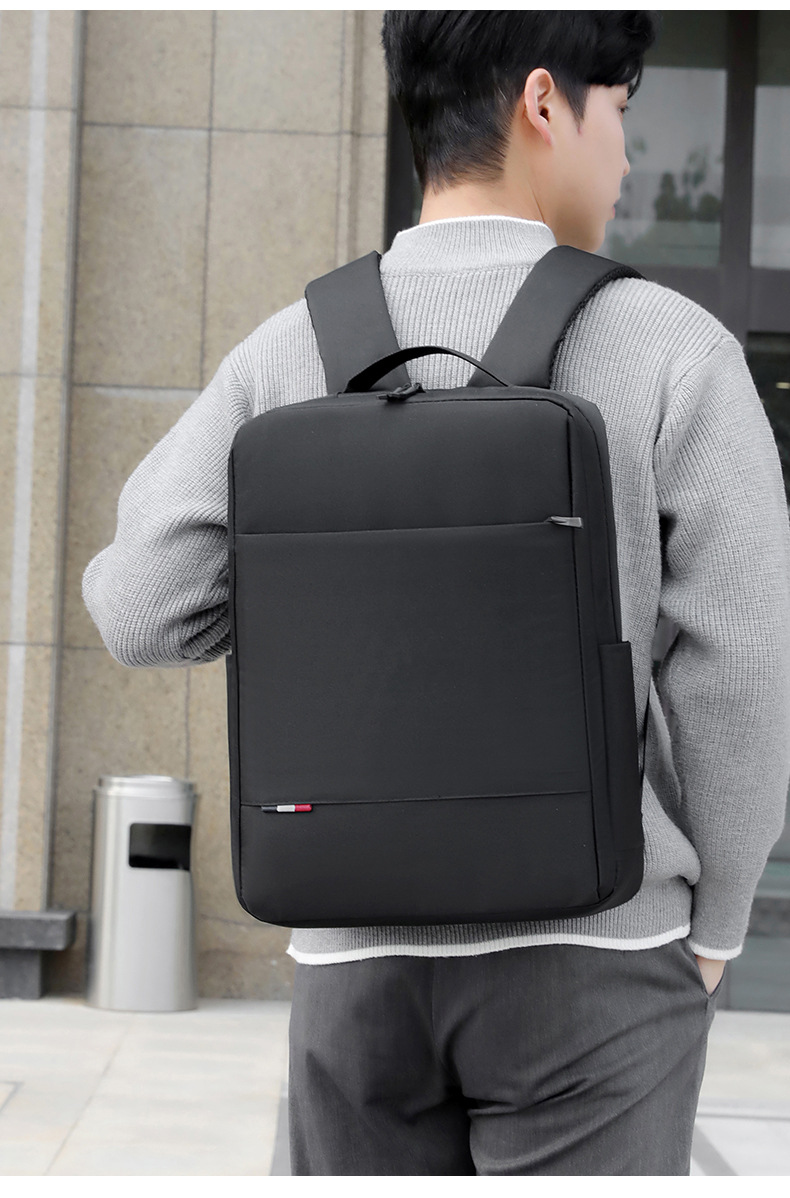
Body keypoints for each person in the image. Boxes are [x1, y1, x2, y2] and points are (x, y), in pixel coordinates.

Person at [82, 9, 790, 1176]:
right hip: (598, 960)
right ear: (545, 102)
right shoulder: (673, 349)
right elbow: (743, 670)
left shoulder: (288, 354)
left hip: (354, 970)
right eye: (620, 115)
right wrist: (715, 927)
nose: (625, 158)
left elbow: (140, 606)